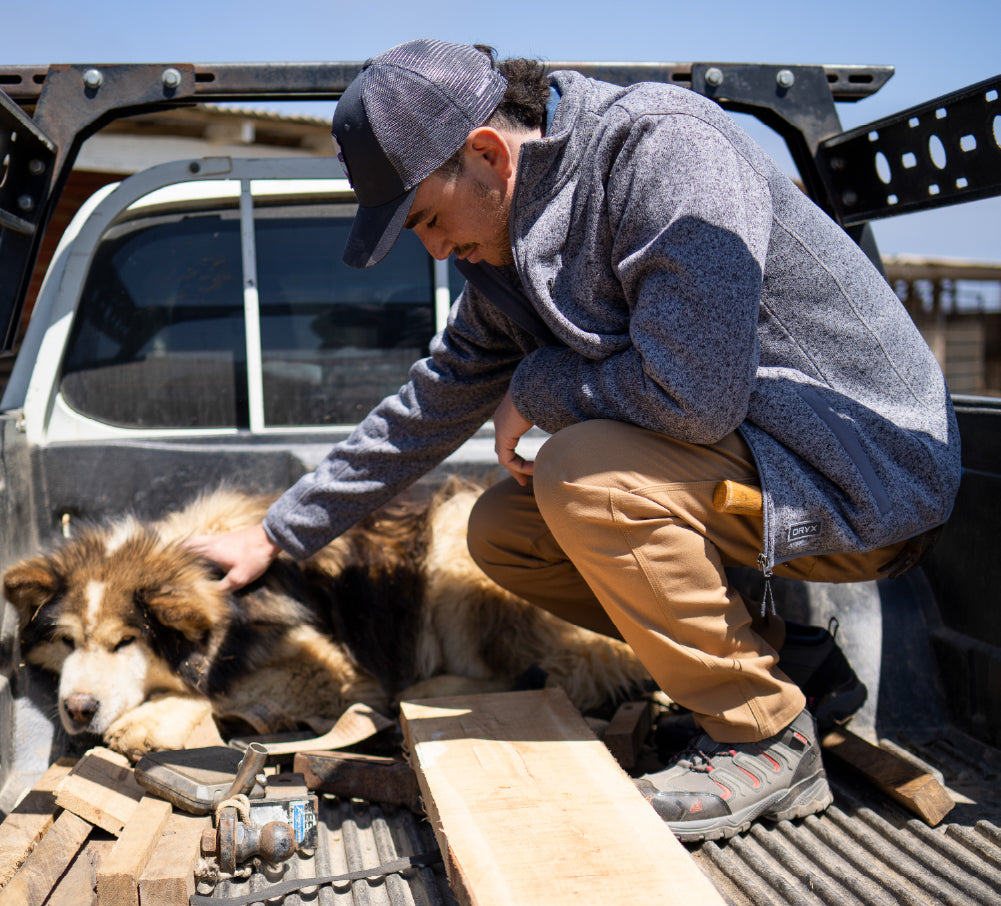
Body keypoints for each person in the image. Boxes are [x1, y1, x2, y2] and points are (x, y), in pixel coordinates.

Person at [188, 38, 961, 842]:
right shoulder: (507, 248)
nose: (434, 249)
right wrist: (278, 531)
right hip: (757, 467)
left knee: (579, 474)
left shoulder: (660, 152)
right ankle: (784, 665)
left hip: (865, 474)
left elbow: (691, 398)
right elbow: (431, 402)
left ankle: (761, 734)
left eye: (425, 218)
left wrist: (535, 388)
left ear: (485, 153)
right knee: (504, 534)